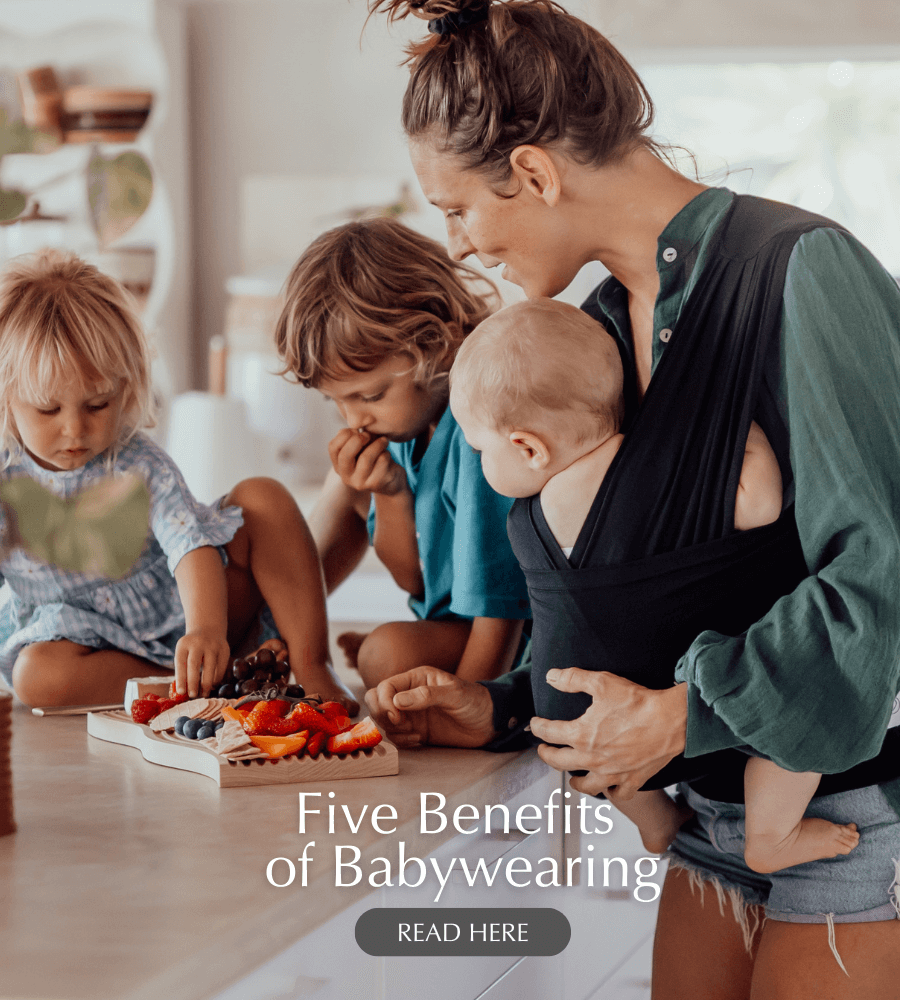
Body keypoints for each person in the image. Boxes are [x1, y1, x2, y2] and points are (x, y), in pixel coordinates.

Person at [364, 1, 900, 993]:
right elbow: (649, 610)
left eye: (456, 208)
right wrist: (498, 707)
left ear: (532, 171)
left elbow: (884, 578)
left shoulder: (802, 272)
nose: (461, 243)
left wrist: (685, 712)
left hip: (848, 819)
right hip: (706, 825)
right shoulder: (602, 330)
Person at [451, 296, 868, 872]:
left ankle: (656, 824)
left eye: (479, 449)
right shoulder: (655, 470)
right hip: (666, 702)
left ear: (528, 446)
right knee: (793, 727)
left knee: (608, 776)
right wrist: (736, 430)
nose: (481, 463)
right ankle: (772, 836)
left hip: (575, 730)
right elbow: (762, 506)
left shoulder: (535, 511)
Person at [0, 248, 356, 712]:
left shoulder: (138, 463)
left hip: (193, 617)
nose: (74, 430)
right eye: (48, 410)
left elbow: (191, 547)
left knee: (262, 497)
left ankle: (311, 666)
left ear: (124, 387)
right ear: (7, 397)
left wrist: (206, 630)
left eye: (97, 405)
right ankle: (219, 685)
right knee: (38, 677)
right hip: (96, 649)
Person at [273, 217, 531, 690]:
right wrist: (390, 494)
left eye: (368, 397)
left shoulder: (480, 430)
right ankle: (281, 630)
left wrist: (475, 703)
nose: (353, 421)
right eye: (337, 401)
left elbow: (503, 607)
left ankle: (285, 632)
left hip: (513, 647)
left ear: (438, 343)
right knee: (345, 482)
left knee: (387, 655)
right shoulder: (413, 423)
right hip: (453, 619)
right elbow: (415, 582)